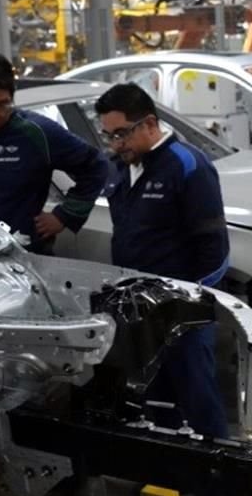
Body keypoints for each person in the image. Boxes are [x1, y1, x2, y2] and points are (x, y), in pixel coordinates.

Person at [94, 83, 231, 438]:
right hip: (137, 307)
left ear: (149, 124)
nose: (115, 144)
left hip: (181, 310)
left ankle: (216, 482)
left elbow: (214, 246)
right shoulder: (119, 166)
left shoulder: (188, 165)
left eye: (121, 134)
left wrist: (192, 301)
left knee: (198, 396)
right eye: (108, 135)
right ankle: (169, 477)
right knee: (154, 397)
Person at [0, 52, 109, 253]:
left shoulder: (37, 134)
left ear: (13, 94)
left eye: (2, 104)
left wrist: (65, 215)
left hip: (21, 256)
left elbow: (96, 166)